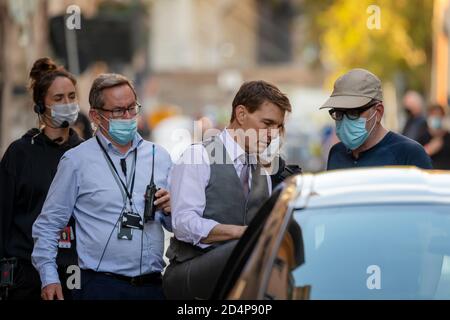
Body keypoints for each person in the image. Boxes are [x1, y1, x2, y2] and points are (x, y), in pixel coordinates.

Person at [31, 73, 172, 300]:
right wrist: (49, 277)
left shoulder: (160, 156)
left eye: (131, 108)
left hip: (152, 285)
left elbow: (177, 225)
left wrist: (171, 209)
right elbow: (49, 225)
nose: (127, 116)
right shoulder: (76, 161)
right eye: (118, 111)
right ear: (96, 115)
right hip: (99, 286)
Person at [163, 80, 292, 299]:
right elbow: (183, 224)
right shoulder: (199, 156)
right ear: (241, 114)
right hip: (191, 275)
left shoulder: (263, 168)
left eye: (278, 126)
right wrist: (241, 234)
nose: (273, 134)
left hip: (237, 281)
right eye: (267, 123)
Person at [0, 57, 82, 300]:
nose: (67, 103)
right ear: (40, 105)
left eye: (71, 96)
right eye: (58, 98)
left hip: (75, 275)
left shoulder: (87, 154)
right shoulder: (20, 153)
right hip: (26, 276)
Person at [320, 68, 432, 170]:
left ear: (378, 112)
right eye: (339, 113)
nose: (344, 121)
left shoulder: (408, 154)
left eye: (353, 112)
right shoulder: (336, 153)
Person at [418, 104, 450, 169]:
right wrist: (429, 150)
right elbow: (416, 158)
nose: (436, 118)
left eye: (439, 115)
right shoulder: (423, 137)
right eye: (434, 115)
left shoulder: (448, 138)